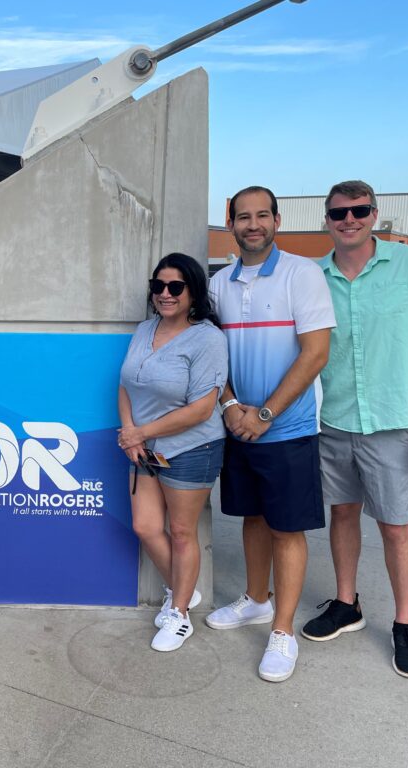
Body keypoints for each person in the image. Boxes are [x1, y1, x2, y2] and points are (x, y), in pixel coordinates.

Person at [304, 180, 408, 680]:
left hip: (391, 421)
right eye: (339, 212)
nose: (350, 219)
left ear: (374, 214)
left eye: (359, 210)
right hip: (334, 418)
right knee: (342, 513)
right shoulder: (314, 277)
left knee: (394, 524)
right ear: (327, 218)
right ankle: (347, 603)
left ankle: (405, 623)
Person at [205, 186, 335, 683]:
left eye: (262, 215)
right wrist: (233, 406)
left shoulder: (303, 274)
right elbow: (213, 355)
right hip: (238, 425)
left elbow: (315, 353)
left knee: (286, 528)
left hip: (289, 428)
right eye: (243, 217)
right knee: (253, 519)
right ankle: (257, 601)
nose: (252, 224)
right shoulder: (218, 285)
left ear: (277, 220)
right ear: (230, 223)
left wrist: (265, 415)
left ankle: (282, 631)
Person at [117, 253, 228, 652]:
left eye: (175, 287)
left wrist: (139, 433)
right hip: (145, 448)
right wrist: (132, 433)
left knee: (182, 533)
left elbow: (201, 408)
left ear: (193, 292)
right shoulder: (145, 329)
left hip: (192, 447)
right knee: (146, 527)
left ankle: (179, 615)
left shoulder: (209, 339)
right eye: (158, 286)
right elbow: (126, 384)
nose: (165, 294)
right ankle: (184, 590)